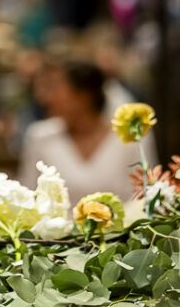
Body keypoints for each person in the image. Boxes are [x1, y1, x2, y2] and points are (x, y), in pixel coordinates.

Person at [18, 58, 155, 203]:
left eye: (54, 88)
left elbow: (145, 196)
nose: (43, 97)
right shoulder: (40, 136)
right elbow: (29, 196)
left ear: (84, 95)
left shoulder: (132, 138)